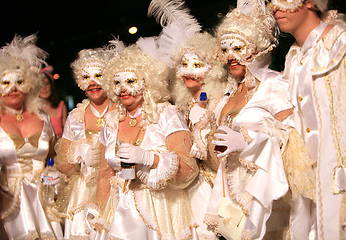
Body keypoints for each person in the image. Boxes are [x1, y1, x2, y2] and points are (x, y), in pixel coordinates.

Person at [203, 1, 301, 239]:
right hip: (229, 196)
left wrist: (248, 142)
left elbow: (293, 136)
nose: (230, 57)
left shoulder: (273, 84)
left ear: (256, 48)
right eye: (225, 50)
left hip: (261, 194)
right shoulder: (227, 94)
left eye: (238, 48)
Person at [92, 39, 199, 240]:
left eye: (130, 81)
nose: (123, 88)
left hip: (160, 211)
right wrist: (98, 211)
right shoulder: (111, 121)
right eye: (117, 82)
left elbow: (188, 169)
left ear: (147, 82)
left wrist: (151, 159)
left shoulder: (166, 114)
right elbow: (104, 175)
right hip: (118, 212)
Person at [148, 1, 228, 238]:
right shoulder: (178, 107)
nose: (189, 71)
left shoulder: (220, 103)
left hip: (216, 188)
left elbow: (218, 159)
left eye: (197, 64)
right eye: (184, 64)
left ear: (212, 68)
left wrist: (204, 124)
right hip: (186, 189)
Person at [270, 0, 346, 239]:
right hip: (308, 189)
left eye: (282, 0)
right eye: (271, 2)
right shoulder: (293, 58)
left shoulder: (340, 44)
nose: (274, 8)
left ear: (310, 2)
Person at [0, 35, 61, 239]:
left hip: (43, 203)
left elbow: (56, 157)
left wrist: (56, 174)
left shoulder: (42, 115)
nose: (14, 88)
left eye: (20, 81)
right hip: (5, 206)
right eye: (6, 83)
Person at [53, 47, 116, 239]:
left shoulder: (120, 111)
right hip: (83, 191)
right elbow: (64, 162)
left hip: (115, 188)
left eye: (98, 75)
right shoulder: (75, 116)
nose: (93, 82)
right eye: (86, 77)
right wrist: (78, 154)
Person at [40, 65, 68, 139]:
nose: (44, 88)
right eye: (40, 85)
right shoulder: (32, 109)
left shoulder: (61, 106)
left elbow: (67, 134)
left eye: (47, 84)